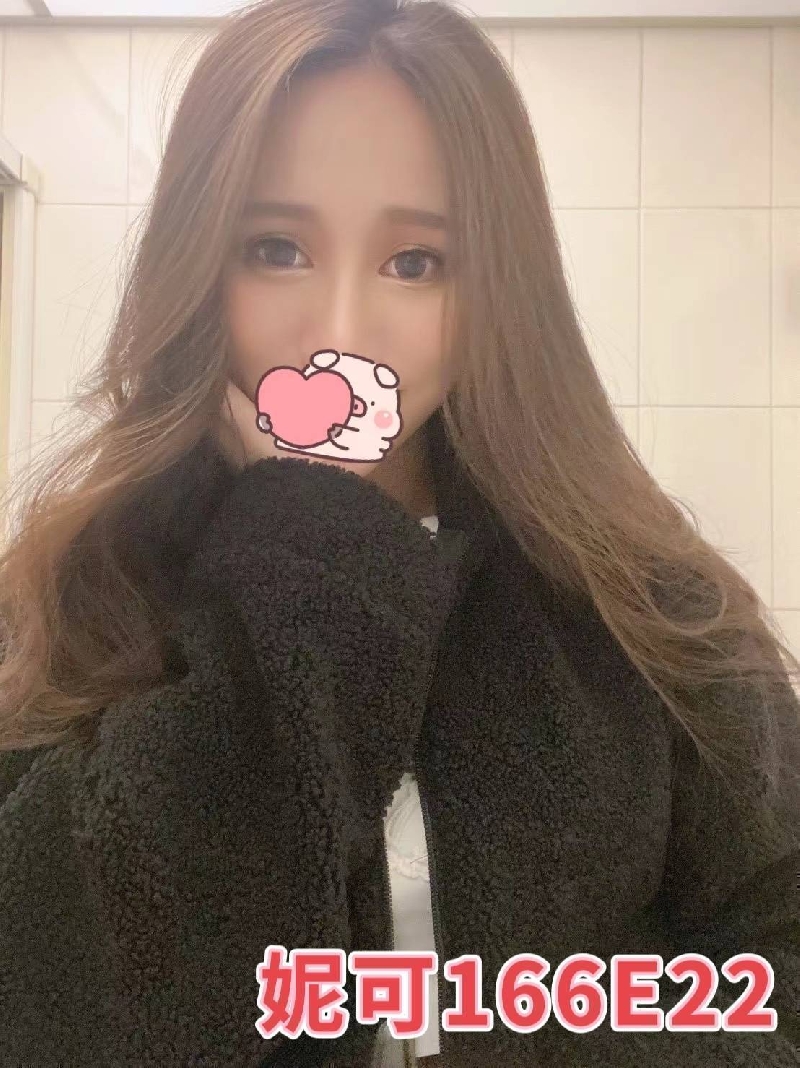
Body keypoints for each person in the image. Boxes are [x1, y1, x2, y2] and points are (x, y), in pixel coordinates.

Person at [0, 0, 798, 1064]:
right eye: (276, 249)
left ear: (495, 290)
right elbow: (55, 1005)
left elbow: (778, 950)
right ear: (199, 265)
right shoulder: (71, 600)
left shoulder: (649, 608)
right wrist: (304, 552)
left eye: (414, 262)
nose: (339, 333)